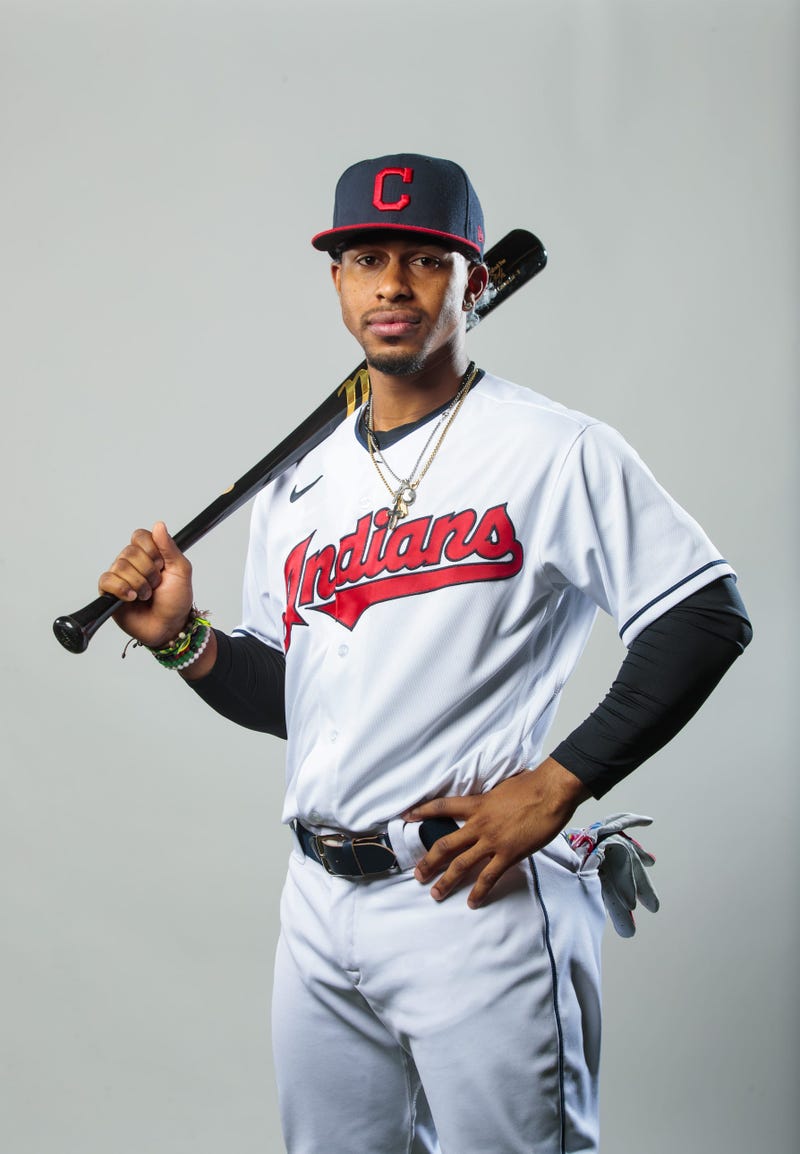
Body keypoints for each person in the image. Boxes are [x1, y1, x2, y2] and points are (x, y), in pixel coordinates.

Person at [98, 153, 752, 1154]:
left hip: (470, 895)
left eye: (425, 258)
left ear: (475, 279)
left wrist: (558, 784)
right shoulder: (299, 482)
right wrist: (185, 642)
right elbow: (302, 697)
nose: (392, 285)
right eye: (367, 259)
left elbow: (704, 615)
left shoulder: (552, 449)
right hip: (316, 906)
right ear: (337, 282)